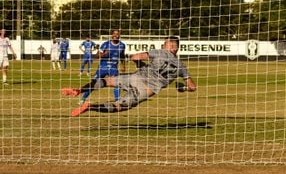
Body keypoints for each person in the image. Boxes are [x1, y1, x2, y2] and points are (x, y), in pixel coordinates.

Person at [62, 36, 196, 117]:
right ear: (176, 48)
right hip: (146, 90)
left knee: (106, 81)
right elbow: (193, 87)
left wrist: (140, 64)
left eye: (164, 44)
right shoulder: (181, 66)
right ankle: (90, 106)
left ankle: (79, 90)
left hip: (136, 77)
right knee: (120, 106)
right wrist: (183, 88)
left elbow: (135, 57)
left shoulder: (159, 52)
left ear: (166, 46)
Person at [80, 30, 126, 104]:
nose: (115, 35)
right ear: (111, 35)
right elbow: (97, 56)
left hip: (113, 68)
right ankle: (83, 99)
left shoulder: (122, 45)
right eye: (114, 33)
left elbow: (122, 56)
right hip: (102, 68)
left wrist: (123, 66)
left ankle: (117, 100)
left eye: (117, 34)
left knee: (117, 83)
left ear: (119, 35)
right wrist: (103, 54)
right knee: (94, 83)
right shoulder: (105, 44)